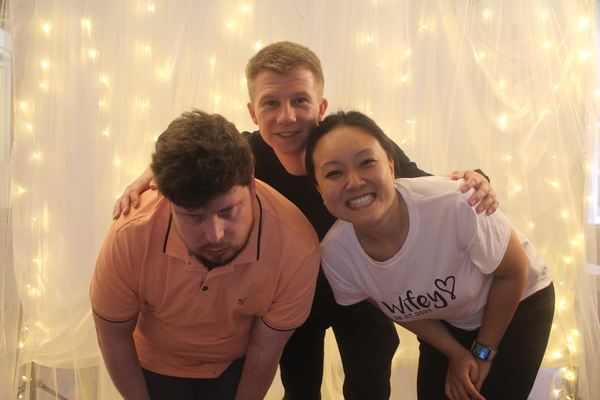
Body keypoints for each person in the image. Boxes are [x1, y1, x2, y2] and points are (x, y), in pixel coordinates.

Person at [112, 42, 499, 400]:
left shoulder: (350, 146)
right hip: (291, 303)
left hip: (364, 294)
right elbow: (192, 156)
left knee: (369, 387)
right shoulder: (244, 154)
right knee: (299, 391)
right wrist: (150, 173)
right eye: (271, 103)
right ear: (253, 112)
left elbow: (422, 187)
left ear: (321, 105)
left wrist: (474, 178)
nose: (287, 116)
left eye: (300, 100)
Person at [304, 110, 555, 400]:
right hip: (449, 317)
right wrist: (456, 353)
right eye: (334, 173)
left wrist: (482, 353)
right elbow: (394, 307)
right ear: (319, 189)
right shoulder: (336, 256)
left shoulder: (455, 202)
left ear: (391, 166)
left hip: (519, 300)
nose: (354, 182)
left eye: (366, 162)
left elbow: (514, 272)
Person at [90, 109, 320, 400]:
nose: (215, 235)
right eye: (194, 216)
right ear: (165, 197)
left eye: (228, 211)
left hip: (233, 365)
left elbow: (265, 350)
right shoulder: (130, 233)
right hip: (151, 360)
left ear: (251, 183)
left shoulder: (296, 247)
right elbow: (112, 336)